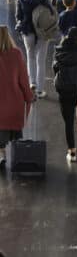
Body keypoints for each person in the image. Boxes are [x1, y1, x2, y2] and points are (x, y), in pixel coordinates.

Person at [0, 26, 34, 170]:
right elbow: (24, 81)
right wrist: (29, 97)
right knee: (14, 132)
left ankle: (2, 155)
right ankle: (17, 156)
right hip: (14, 105)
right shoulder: (16, 54)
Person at [16, 0, 55, 97]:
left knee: (30, 57)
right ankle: (39, 90)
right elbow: (51, 12)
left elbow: (18, 16)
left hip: (27, 32)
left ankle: (31, 83)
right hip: (42, 32)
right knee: (40, 60)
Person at [53, 27, 77, 162]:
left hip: (64, 89)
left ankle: (72, 153)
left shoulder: (59, 51)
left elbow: (55, 68)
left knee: (68, 121)